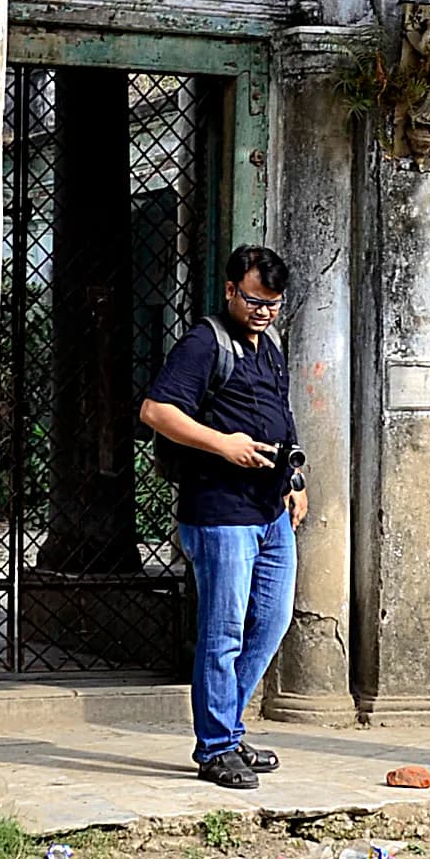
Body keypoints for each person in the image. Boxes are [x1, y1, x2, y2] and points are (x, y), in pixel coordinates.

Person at [140, 246, 307, 793]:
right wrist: (223, 445)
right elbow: (157, 412)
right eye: (256, 300)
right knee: (224, 629)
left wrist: (296, 480)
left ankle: (227, 731)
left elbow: (281, 418)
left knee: (272, 620)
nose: (264, 312)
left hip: (270, 508)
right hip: (219, 510)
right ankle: (215, 747)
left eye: (275, 304)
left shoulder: (272, 345)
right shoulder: (203, 342)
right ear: (232, 289)